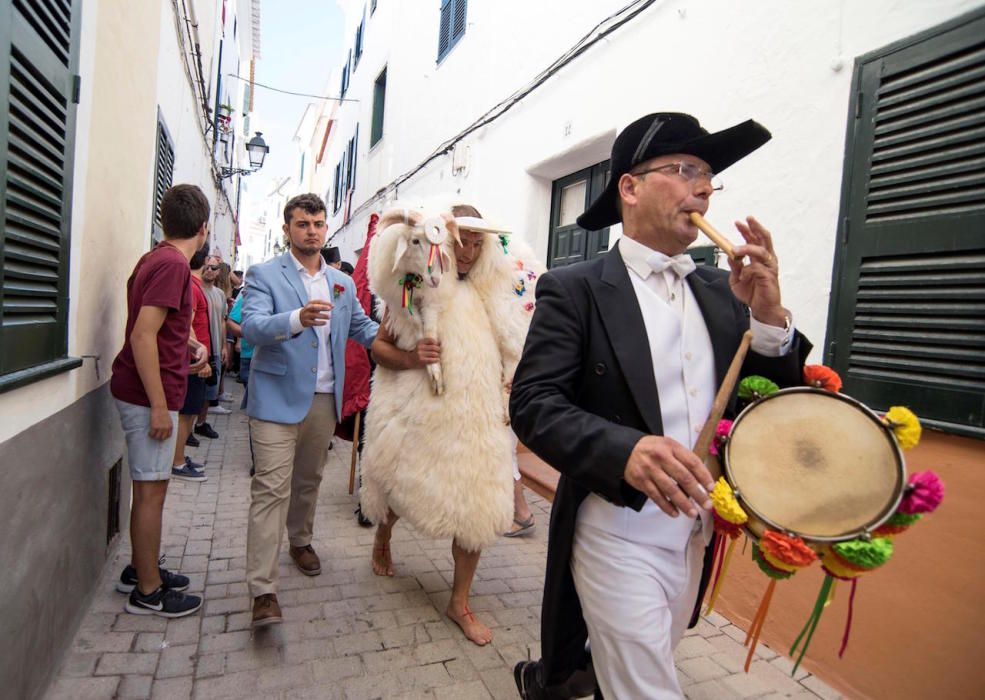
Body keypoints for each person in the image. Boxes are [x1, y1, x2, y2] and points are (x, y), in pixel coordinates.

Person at [510, 113, 812, 699]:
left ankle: (560, 682)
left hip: (695, 535)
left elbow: (770, 401)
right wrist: (624, 451)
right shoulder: (576, 289)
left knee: (634, 663)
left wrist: (769, 318)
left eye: (708, 176)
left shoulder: (723, 293)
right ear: (630, 187)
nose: (703, 187)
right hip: (615, 529)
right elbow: (533, 403)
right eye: (685, 170)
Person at [362, 203, 538, 646]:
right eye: (463, 239)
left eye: (478, 241)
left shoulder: (496, 292)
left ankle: (459, 602)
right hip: (428, 418)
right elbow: (378, 348)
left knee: (479, 510)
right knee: (406, 489)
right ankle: (384, 533)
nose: (470, 249)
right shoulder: (414, 288)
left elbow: (515, 346)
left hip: (480, 425)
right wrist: (410, 358)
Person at [242, 193, 378, 628]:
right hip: (275, 400)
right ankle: (263, 590)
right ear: (287, 229)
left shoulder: (341, 282)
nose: (312, 230)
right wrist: (296, 318)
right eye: (303, 224)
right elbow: (252, 326)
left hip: (324, 400)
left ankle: (300, 541)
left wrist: (405, 336)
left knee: (309, 481)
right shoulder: (265, 274)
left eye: (318, 223)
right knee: (270, 491)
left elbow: (361, 327)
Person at [109, 183, 211, 617]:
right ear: (204, 229)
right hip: (149, 395)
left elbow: (158, 320)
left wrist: (189, 343)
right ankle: (147, 592)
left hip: (148, 389)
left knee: (150, 489)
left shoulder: (156, 258)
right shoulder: (172, 266)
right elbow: (142, 334)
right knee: (151, 493)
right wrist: (157, 405)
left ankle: (142, 566)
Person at [169, 246, 213, 481]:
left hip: (195, 359)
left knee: (190, 412)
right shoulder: (193, 287)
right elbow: (189, 325)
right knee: (186, 413)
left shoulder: (193, 285)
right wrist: (199, 357)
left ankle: (179, 456)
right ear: (205, 260)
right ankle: (176, 462)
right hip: (194, 361)